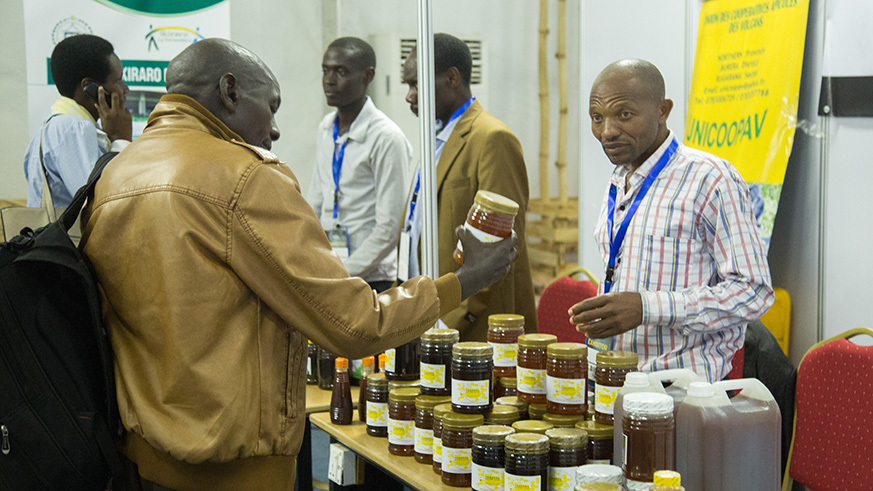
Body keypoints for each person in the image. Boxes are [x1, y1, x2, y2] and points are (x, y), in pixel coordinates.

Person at [81, 38, 515, 491]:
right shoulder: (244, 177)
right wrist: (463, 280)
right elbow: (355, 324)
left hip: (141, 459)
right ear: (230, 91)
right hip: (235, 469)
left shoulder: (114, 174)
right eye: (271, 107)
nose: (275, 130)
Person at [569, 59, 774, 383]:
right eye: (597, 118)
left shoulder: (711, 179)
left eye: (624, 115)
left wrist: (648, 307)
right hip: (616, 384)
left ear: (663, 110)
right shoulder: (620, 178)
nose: (607, 131)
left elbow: (754, 292)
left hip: (681, 394)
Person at [399, 33, 537, 341]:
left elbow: (499, 250)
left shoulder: (492, 139)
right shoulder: (436, 136)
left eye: (416, 84)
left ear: (451, 78)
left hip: (471, 328)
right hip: (428, 313)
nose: (409, 96)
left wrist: (455, 318)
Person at [308, 37, 411, 292]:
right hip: (329, 270)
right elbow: (315, 204)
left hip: (371, 278)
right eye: (325, 70)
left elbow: (389, 228)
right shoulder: (325, 128)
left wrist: (343, 272)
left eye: (341, 72)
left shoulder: (386, 137)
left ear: (368, 75)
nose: (329, 80)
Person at [23, 34, 131, 208]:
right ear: (89, 87)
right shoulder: (71, 128)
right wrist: (120, 139)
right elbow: (104, 202)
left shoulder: (54, 126)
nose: (125, 89)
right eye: (118, 80)